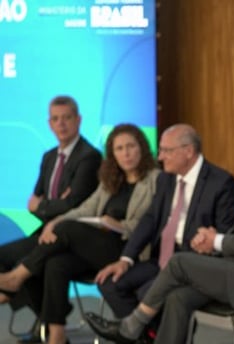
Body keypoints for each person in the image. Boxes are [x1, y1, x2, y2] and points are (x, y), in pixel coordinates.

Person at [85, 132, 234, 344]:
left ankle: (131, 327)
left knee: (179, 261)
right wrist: (210, 242)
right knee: (178, 297)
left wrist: (216, 240)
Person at [0, 123, 159, 344]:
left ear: (141, 147)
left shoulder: (156, 180)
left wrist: (119, 225)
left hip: (128, 250)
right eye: (119, 148)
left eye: (131, 146)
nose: (126, 153)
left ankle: (17, 277)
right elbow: (85, 209)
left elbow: (151, 225)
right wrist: (54, 222)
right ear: (112, 153)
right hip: (97, 248)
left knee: (67, 229)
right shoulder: (111, 180)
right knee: (57, 262)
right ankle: (57, 336)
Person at [92, 123, 234, 327]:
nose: (160, 157)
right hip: (161, 258)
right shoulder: (166, 179)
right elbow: (150, 220)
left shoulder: (221, 182)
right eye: (160, 150)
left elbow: (225, 234)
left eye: (166, 151)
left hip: (192, 264)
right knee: (110, 284)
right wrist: (125, 259)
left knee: (148, 294)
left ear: (188, 151)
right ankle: (144, 339)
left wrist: (208, 241)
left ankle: (136, 333)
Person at [0, 95, 101, 338]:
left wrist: (45, 205)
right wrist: (51, 204)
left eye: (67, 118)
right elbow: (33, 202)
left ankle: (27, 306)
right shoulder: (49, 157)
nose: (61, 124)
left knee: (35, 264)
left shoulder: (89, 156)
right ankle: (47, 322)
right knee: (12, 257)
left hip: (74, 237)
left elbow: (72, 205)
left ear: (78, 120)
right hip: (47, 233)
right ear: (49, 124)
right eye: (56, 119)